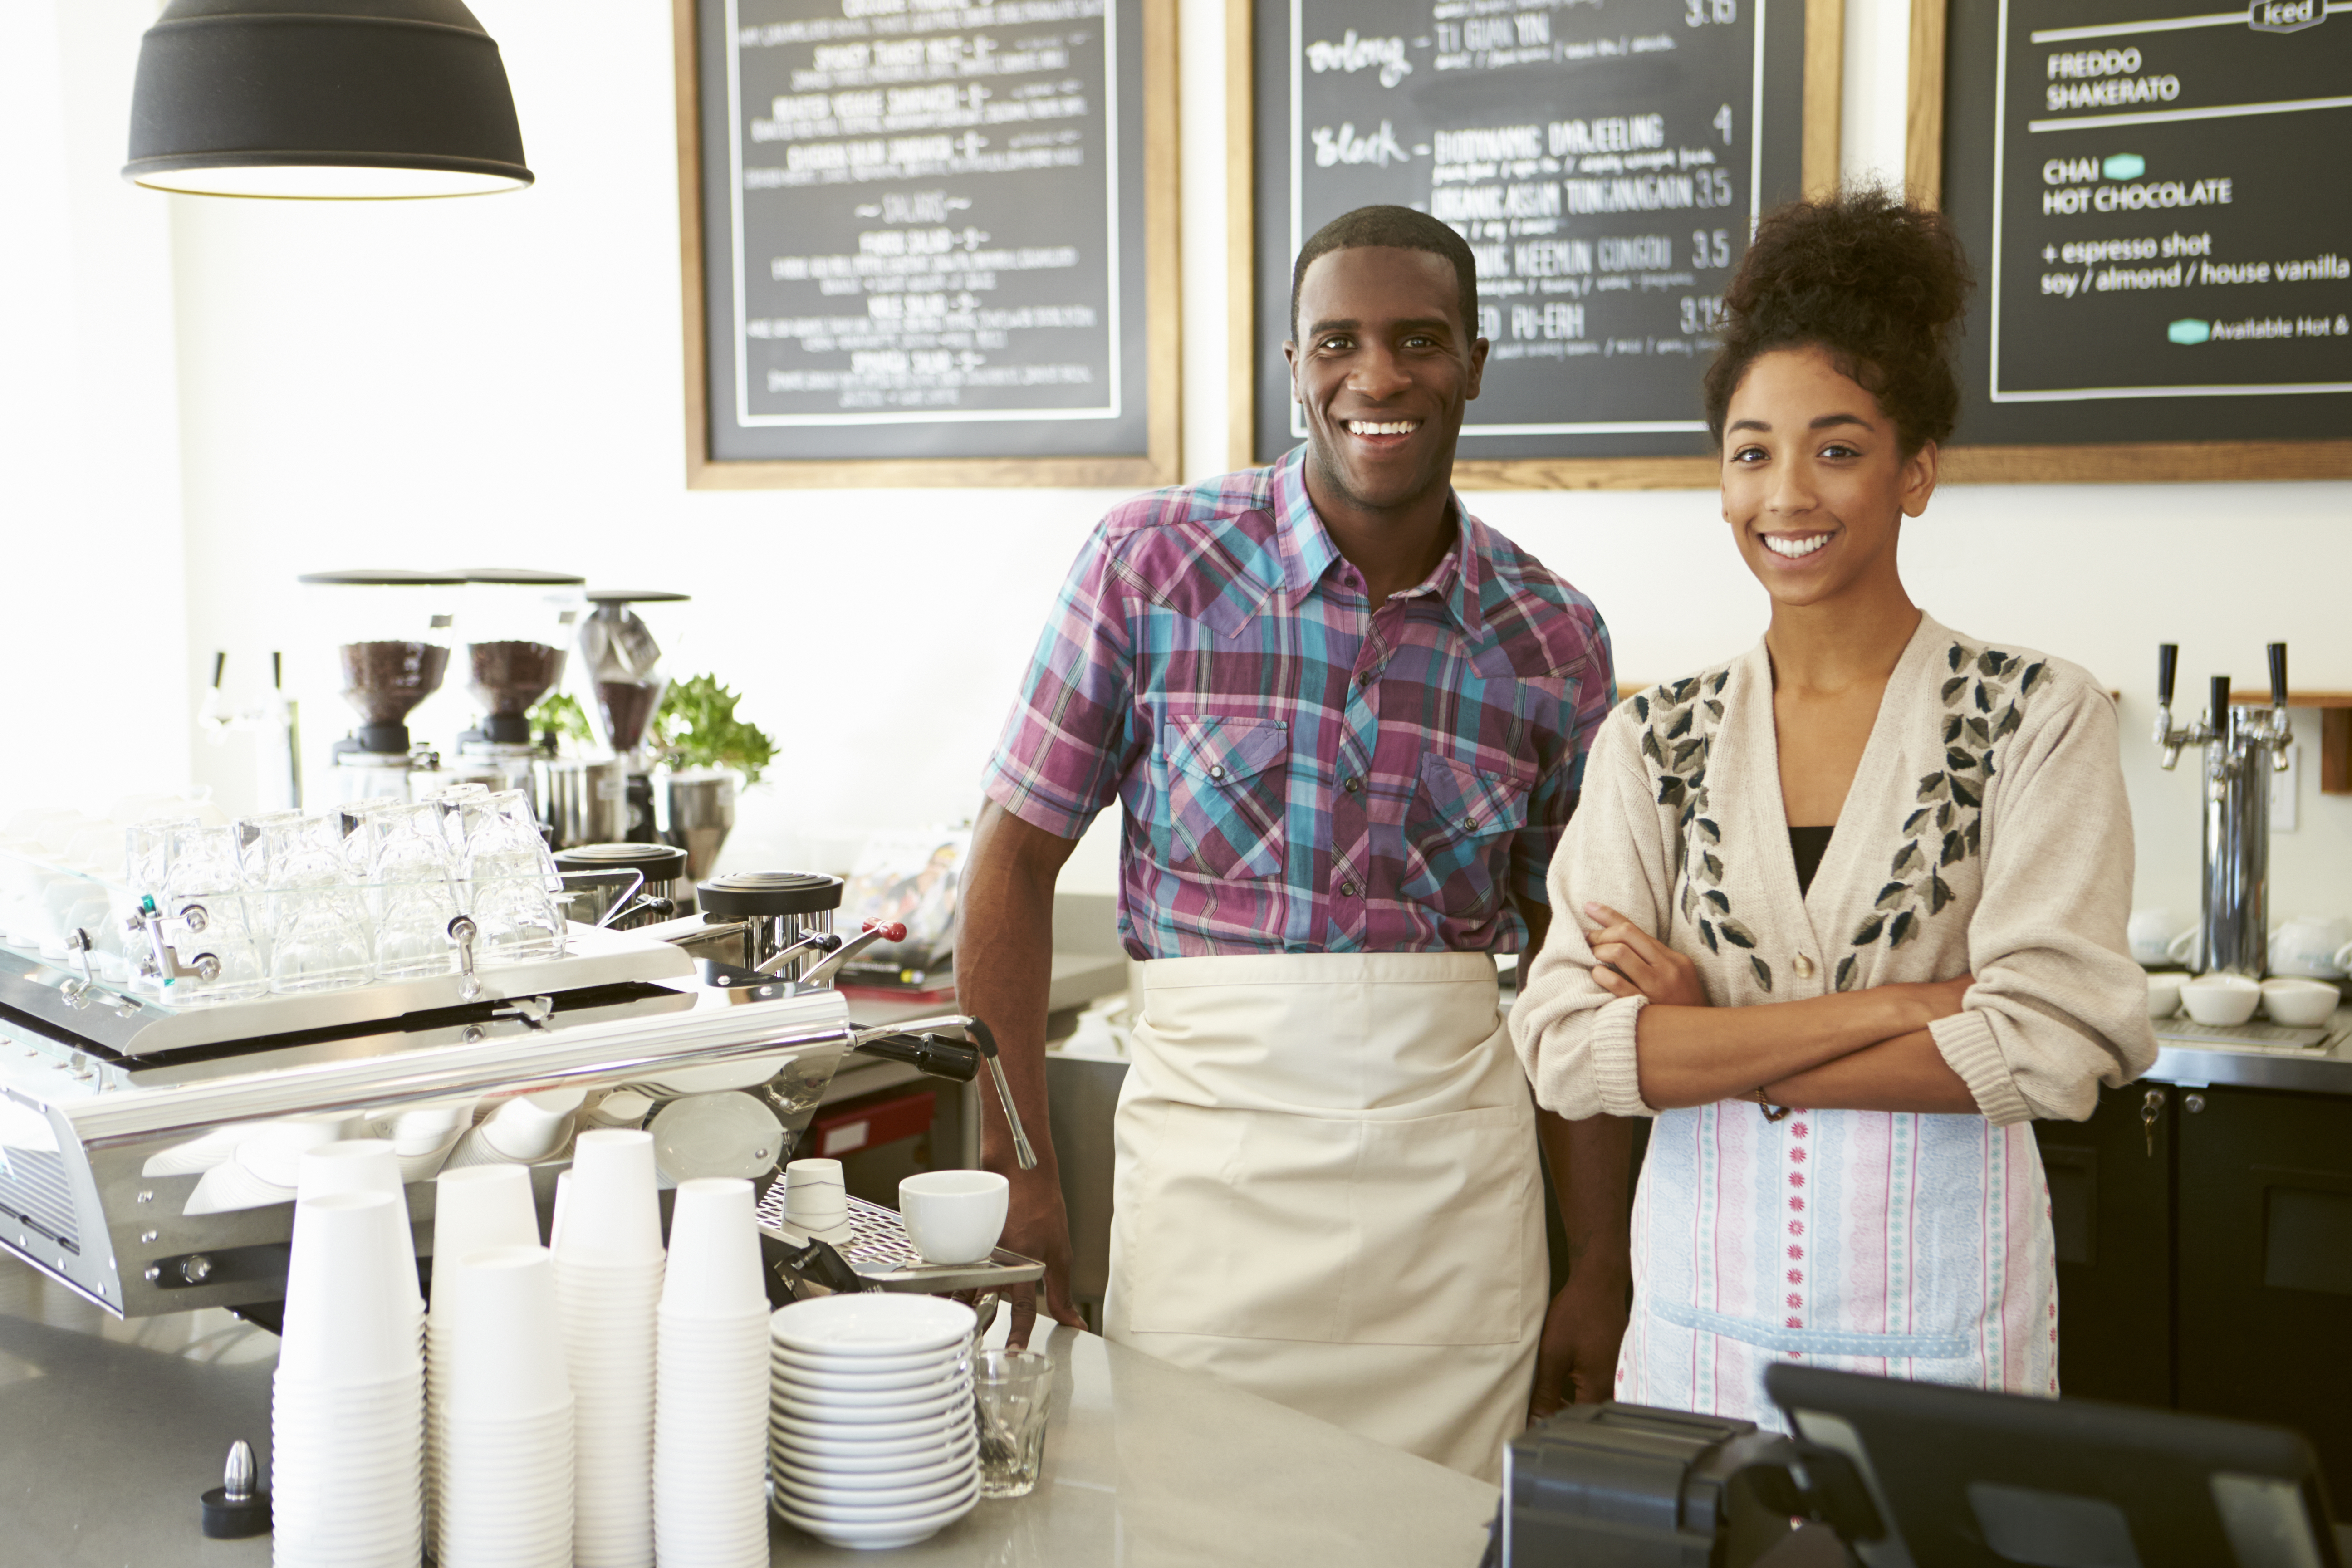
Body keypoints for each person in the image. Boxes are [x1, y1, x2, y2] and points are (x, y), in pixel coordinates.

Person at [959, 205, 1615, 1480]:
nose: (1378, 378)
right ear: (1293, 365)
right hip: (1214, 1200)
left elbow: (1576, 963)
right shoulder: (1152, 566)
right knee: (1194, 1520)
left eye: (1420, 340)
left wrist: (1601, 1261)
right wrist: (1017, 1168)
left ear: (1477, 361)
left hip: (1455, 1220)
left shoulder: (1554, 638)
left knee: (1448, 1534)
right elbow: (1011, 865)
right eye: (1339, 343)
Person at [1509, 189, 2158, 1426]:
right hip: (1695, 1327)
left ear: (1916, 472)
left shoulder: (2034, 715)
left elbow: (2057, 1042)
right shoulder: (1653, 741)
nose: (1787, 493)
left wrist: (1703, 1040)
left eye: (1839, 448)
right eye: (1751, 451)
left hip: (1941, 1337)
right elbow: (1566, 1046)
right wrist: (1910, 1008)